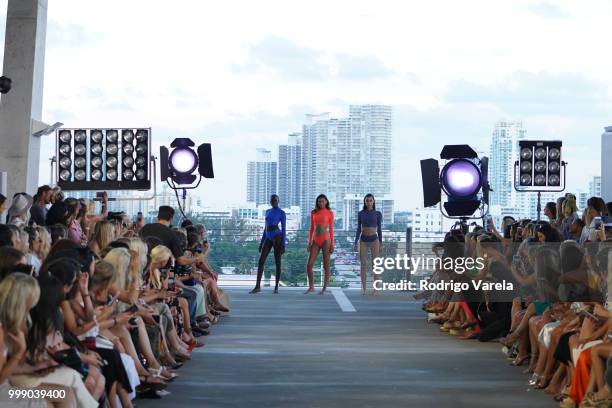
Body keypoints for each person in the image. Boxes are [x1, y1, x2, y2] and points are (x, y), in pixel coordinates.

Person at [250, 195, 286, 294]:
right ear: (270, 201)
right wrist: (261, 243)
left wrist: (283, 244)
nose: (273, 202)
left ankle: (276, 287)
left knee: (277, 261)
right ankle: (257, 287)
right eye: (272, 200)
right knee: (261, 261)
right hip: (268, 237)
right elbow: (265, 228)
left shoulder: (281, 213)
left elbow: (284, 229)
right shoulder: (267, 212)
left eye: (275, 200)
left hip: (277, 237)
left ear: (278, 201)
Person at [353, 193, 382, 295]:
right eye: (367, 200)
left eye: (370, 200)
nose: (369, 202)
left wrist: (381, 242)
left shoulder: (378, 213)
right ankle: (364, 289)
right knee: (363, 265)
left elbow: (379, 229)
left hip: (374, 240)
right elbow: (358, 229)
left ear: (373, 201)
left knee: (375, 265)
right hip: (363, 240)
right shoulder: (361, 213)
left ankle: (376, 289)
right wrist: (355, 241)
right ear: (364, 202)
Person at [305, 194, 334, 295]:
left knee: (326, 265)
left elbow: (331, 229)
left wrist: (332, 244)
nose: (321, 203)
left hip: (326, 240)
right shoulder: (313, 212)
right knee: (309, 265)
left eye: (323, 201)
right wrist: (309, 242)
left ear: (326, 202)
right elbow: (312, 228)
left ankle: (324, 288)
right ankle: (311, 287)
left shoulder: (330, 213)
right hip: (315, 240)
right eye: (319, 201)